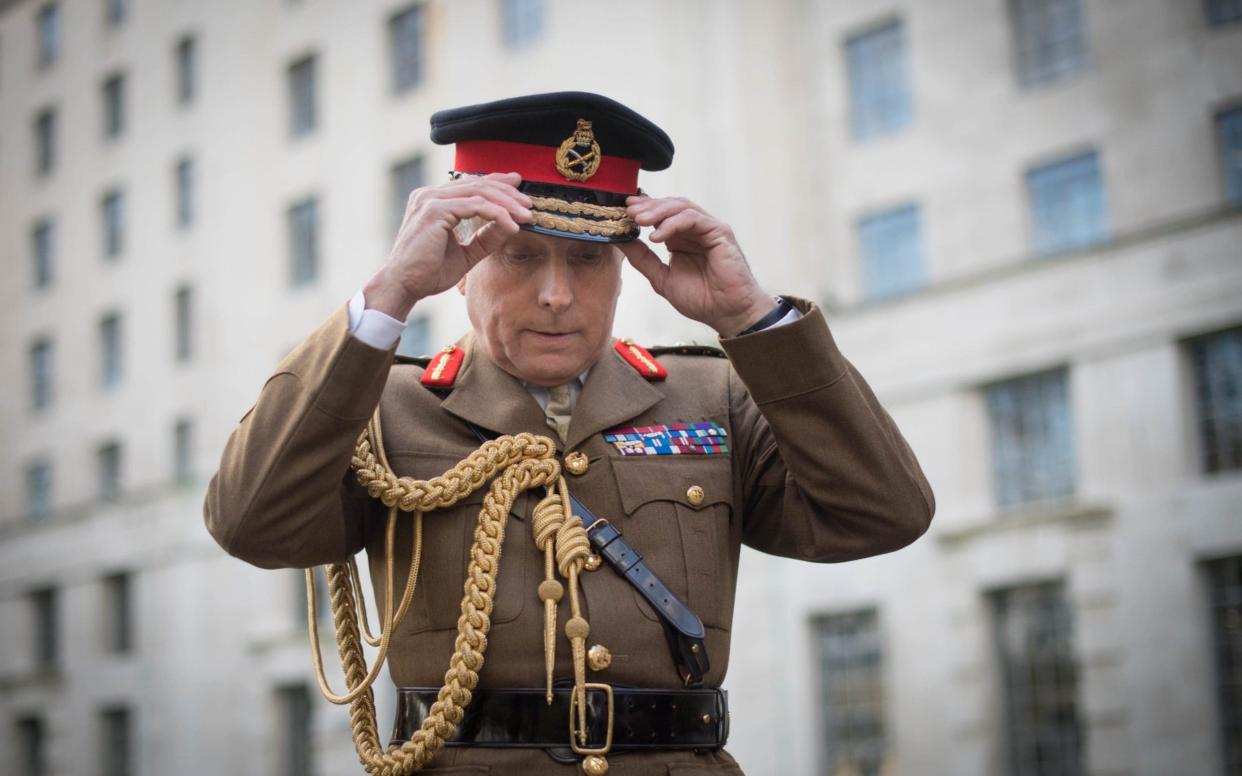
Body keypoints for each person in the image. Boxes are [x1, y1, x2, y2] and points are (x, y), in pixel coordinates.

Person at [204, 92, 934, 775]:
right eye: (520, 255)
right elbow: (250, 523)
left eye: (589, 259)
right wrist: (387, 294)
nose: (557, 295)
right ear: (461, 268)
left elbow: (884, 513)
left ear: (624, 269)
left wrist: (750, 319)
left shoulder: (712, 396)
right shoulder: (382, 409)